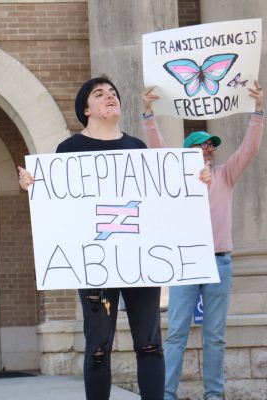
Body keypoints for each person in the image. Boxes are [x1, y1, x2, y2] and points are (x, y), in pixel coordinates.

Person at [18, 76, 201, 400]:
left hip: (139, 259)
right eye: (99, 94)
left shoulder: (136, 148)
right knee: (98, 347)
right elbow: (58, 206)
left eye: (113, 93)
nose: (109, 97)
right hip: (95, 263)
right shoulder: (69, 150)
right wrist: (34, 185)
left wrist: (195, 180)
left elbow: (160, 201)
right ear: (85, 110)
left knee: (149, 344)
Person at [143, 81, 264, 400]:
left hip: (220, 261)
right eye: (201, 145)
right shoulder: (178, 179)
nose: (209, 148)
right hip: (186, 264)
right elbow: (158, 149)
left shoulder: (225, 174)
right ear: (188, 153)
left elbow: (249, 149)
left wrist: (257, 111)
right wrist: (148, 115)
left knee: (215, 336)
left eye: (211, 145)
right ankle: (166, 394)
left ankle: (213, 394)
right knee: (177, 333)